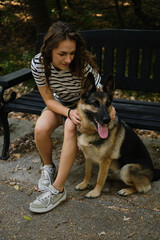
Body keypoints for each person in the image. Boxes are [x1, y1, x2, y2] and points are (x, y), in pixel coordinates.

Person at [29, 21, 115, 213]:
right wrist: (67, 112)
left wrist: (110, 108)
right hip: (59, 105)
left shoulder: (82, 65)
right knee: (41, 128)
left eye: (72, 53)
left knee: (69, 127)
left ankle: (58, 189)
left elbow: (99, 91)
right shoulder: (38, 64)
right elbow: (48, 98)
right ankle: (48, 168)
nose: (69, 59)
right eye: (62, 54)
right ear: (49, 50)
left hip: (83, 107)